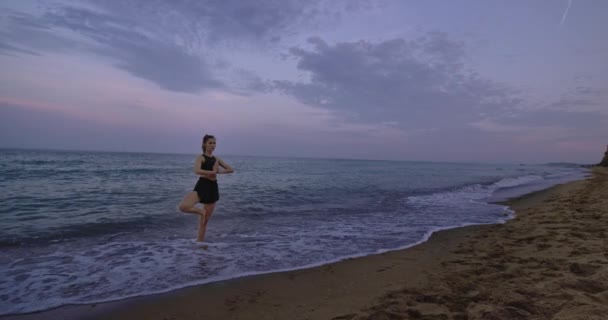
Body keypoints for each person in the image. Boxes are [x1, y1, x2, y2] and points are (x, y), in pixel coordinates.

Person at [179, 134, 234, 241]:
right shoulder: (201, 157)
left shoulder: (217, 159)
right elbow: (196, 170)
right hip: (202, 185)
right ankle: (201, 212)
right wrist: (212, 172)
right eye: (210, 143)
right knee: (184, 206)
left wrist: (220, 171)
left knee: (204, 222)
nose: (213, 145)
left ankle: (199, 244)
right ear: (204, 144)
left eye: (214, 143)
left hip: (213, 188)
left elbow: (230, 169)